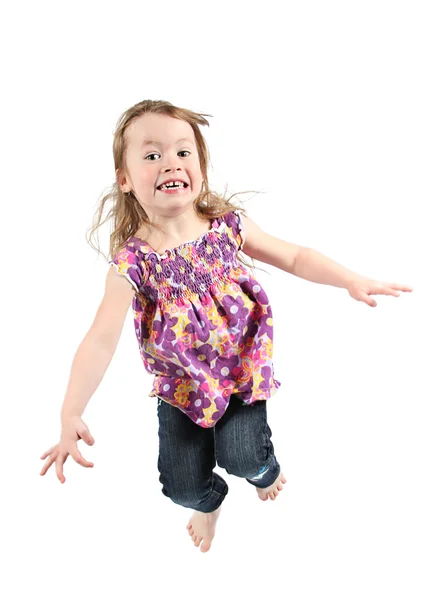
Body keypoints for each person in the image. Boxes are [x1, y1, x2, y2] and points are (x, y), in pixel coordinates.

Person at [39, 99, 413, 553]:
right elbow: (100, 338)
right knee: (180, 487)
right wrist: (70, 410)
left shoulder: (226, 227)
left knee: (244, 457)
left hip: (240, 371)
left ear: (200, 166)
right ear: (124, 180)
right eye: (152, 155)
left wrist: (351, 279)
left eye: (183, 152)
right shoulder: (132, 263)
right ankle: (209, 503)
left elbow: (293, 256)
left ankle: (265, 471)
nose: (170, 163)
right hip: (182, 387)